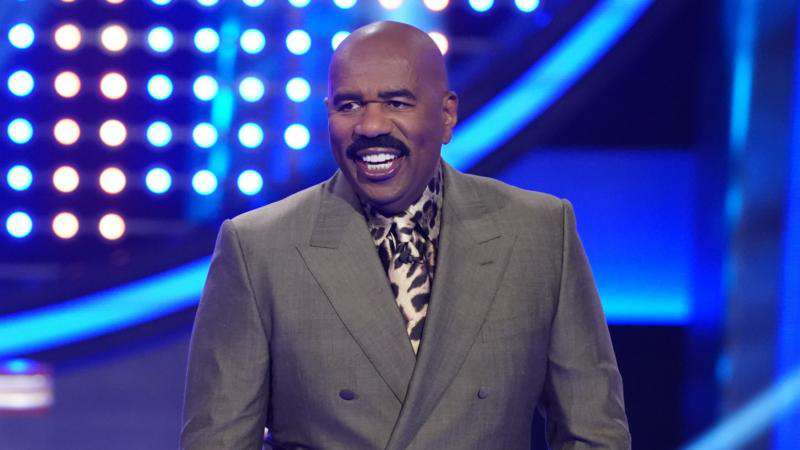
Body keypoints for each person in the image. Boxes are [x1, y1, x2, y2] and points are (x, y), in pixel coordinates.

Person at [181, 21, 630, 450]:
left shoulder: (538, 232)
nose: (370, 126)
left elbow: (593, 434)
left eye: (396, 103)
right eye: (349, 105)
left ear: (447, 115)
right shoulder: (259, 248)